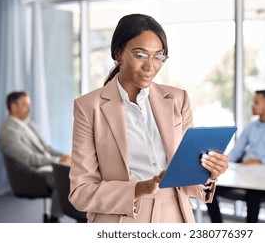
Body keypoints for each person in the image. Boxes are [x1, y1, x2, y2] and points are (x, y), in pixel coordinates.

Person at [68, 13, 229, 223]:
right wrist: (140, 188)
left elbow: (188, 178)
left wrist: (210, 173)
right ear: (118, 53)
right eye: (140, 55)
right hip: (122, 218)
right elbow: (81, 193)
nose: (150, 66)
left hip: (176, 215)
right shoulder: (89, 107)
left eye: (158, 56)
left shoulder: (178, 99)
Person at [206, 90, 265, 223]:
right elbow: (236, 152)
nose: (252, 105)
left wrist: (260, 161)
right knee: (210, 189)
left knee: (253, 194)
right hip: (245, 174)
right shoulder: (250, 127)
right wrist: (223, 163)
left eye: (256, 102)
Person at [0, 91, 72, 222]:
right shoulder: (8, 133)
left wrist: (66, 156)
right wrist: (57, 161)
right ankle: (56, 219)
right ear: (13, 107)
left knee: (78, 172)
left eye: (29, 105)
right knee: (67, 177)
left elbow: (47, 148)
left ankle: (74, 217)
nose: (30, 109)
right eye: (25, 105)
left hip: (47, 166)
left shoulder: (29, 124)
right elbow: (29, 158)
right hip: (34, 174)